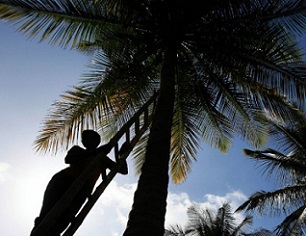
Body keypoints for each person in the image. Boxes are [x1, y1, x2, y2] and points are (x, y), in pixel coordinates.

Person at [31, 130, 128, 236]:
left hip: (82, 191)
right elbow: (69, 159)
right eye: (83, 138)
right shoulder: (78, 150)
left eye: (87, 137)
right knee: (47, 215)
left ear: (96, 140)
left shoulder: (102, 158)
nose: (83, 140)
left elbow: (123, 171)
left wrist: (121, 155)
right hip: (63, 182)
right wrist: (97, 151)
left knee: (64, 221)